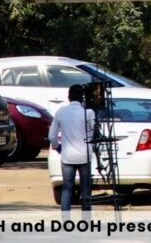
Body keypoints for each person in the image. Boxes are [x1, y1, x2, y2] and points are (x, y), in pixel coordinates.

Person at [48, 84, 95, 215]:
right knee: (86, 189)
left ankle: (65, 219)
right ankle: (86, 219)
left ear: (68, 97)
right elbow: (94, 134)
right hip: (84, 155)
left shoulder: (61, 112)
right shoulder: (88, 113)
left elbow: (51, 136)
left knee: (67, 188)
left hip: (67, 156)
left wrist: (58, 148)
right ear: (82, 98)